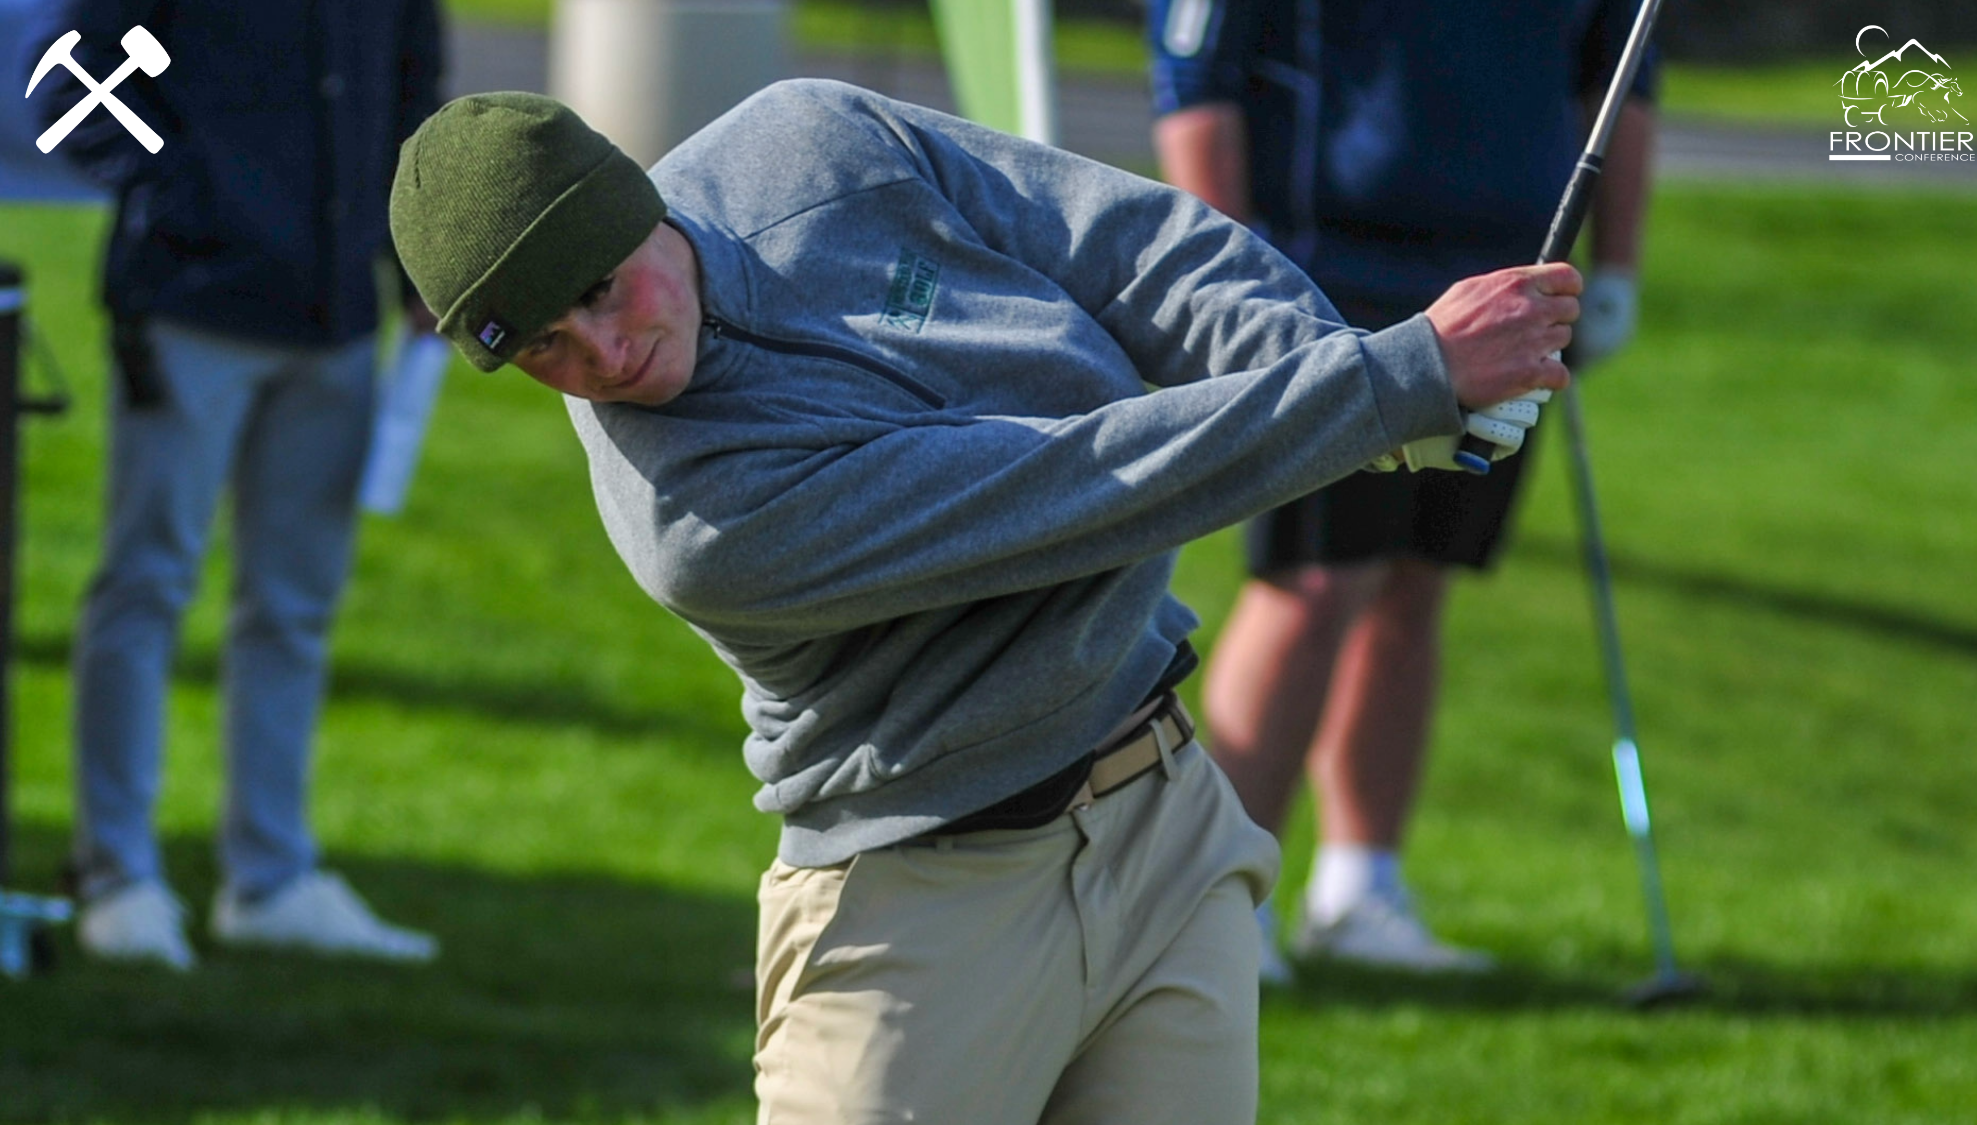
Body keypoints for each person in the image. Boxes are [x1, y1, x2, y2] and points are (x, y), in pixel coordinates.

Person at [389, 80, 1575, 1122]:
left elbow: (1132, 249)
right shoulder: (697, 521)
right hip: (920, 909)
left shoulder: (811, 141)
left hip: (1161, 820)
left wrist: (1324, 370)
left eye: (602, 291)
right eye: (544, 348)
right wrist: (1393, 382)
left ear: (636, 204)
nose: (601, 356)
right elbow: (1069, 491)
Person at [1149, 0, 1657, 979]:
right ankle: (1216, 898)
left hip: (1508, 282)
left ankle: (1358, 889)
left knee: (1417, 582)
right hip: (1328, 287)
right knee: (1313, 580)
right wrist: (1227, 285)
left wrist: (1619, 267)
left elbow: (1621, 84)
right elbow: (1195, 82)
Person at [33, 0, 445, 969]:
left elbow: (408, 95)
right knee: (147, 583)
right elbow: (66, 82)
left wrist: (420, 256)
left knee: (294, 607)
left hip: (334, 319)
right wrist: (188, 199)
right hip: (189, 308)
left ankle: (270, 876)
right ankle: (116, 876)